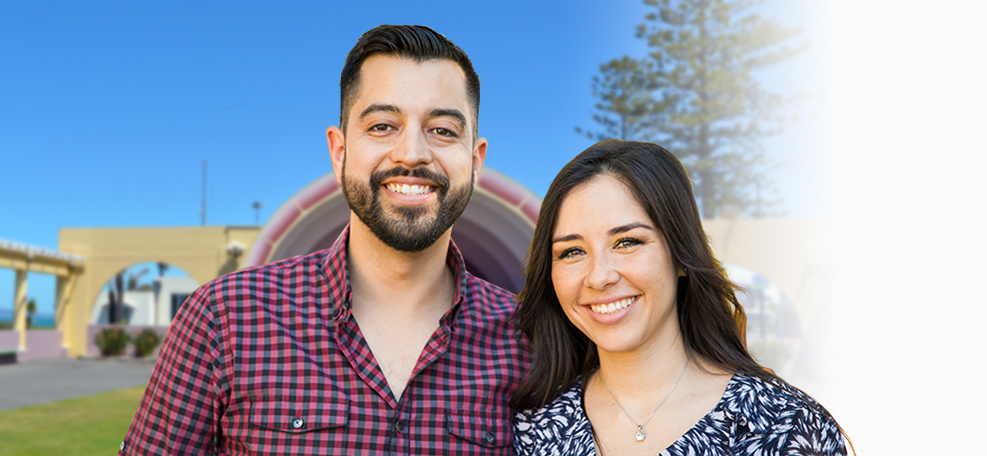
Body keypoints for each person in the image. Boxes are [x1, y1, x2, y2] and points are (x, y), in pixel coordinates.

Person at [120, 24, 530, 455]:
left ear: (475, 160)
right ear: (339, 153)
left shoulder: (530, 344)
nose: (412, 153)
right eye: (382, 126)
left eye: (443, 130)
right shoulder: (223, 318)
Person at [510, 139, 849, 455]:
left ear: (681, 256)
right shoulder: (531, 430)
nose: (599, 277)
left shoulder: (784, 426)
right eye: (572, 251)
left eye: (627, 242)